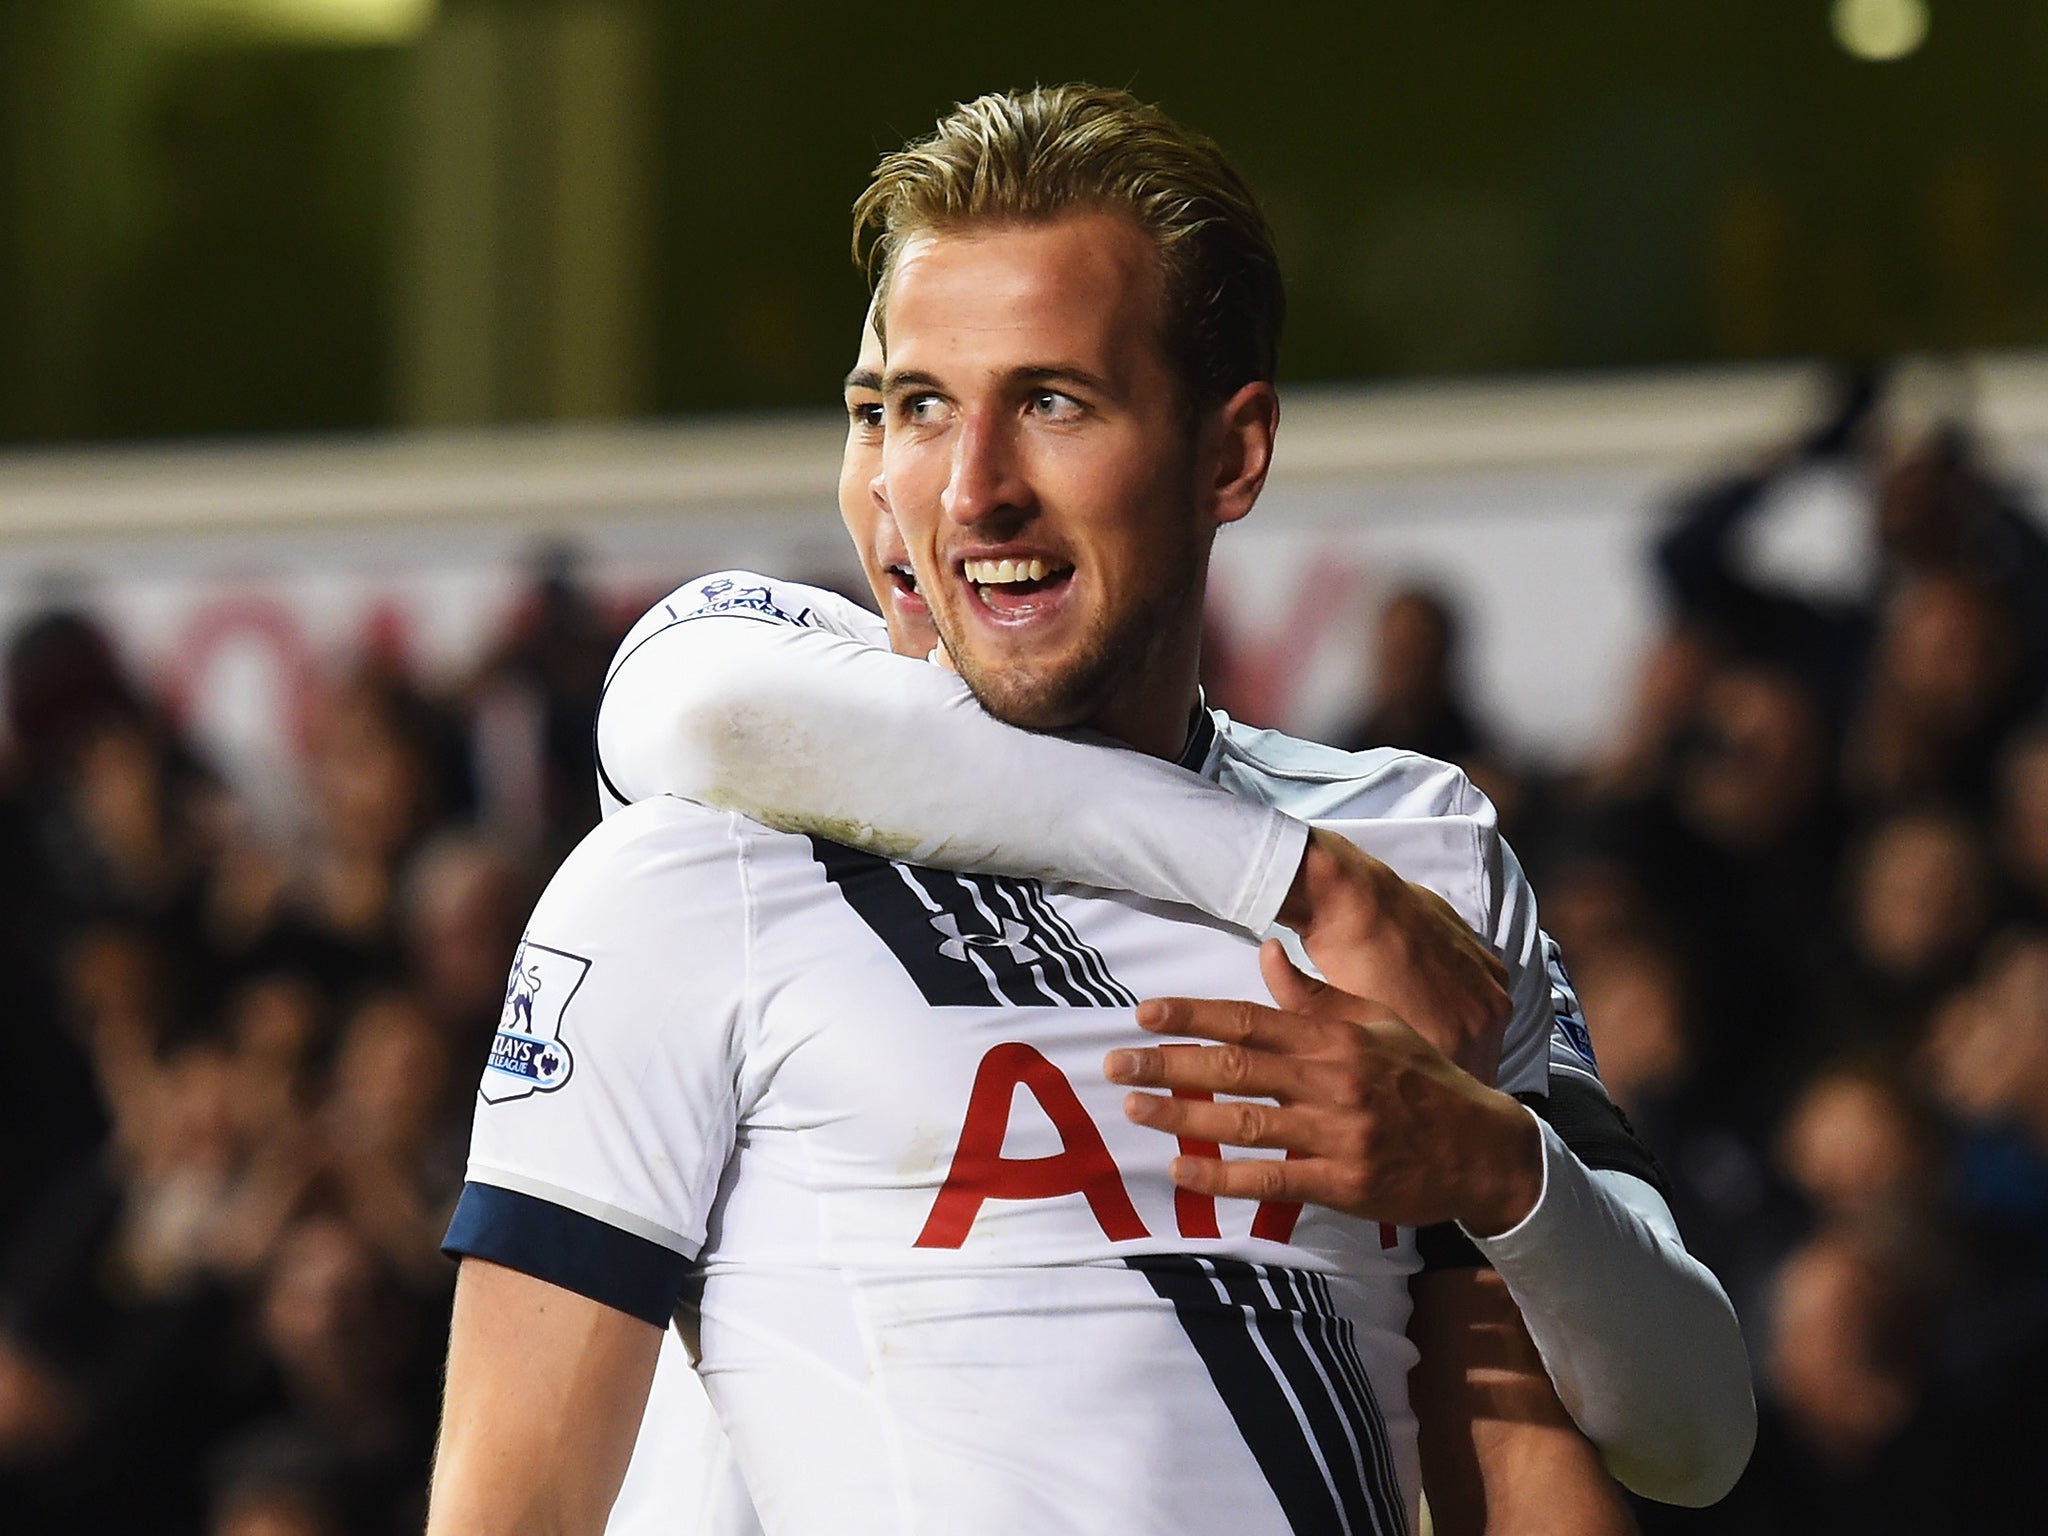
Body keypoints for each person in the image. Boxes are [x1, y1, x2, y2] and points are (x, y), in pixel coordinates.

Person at [430, 87, 1748, 1535]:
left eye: (1053, 401)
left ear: (1231, 454)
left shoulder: (1418, 848)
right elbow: (511, 1505)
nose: (973, 487)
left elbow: (1691, 1433)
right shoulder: (700, 867)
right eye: (914, 406)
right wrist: (1293, 880)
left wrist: (1494, 1167)